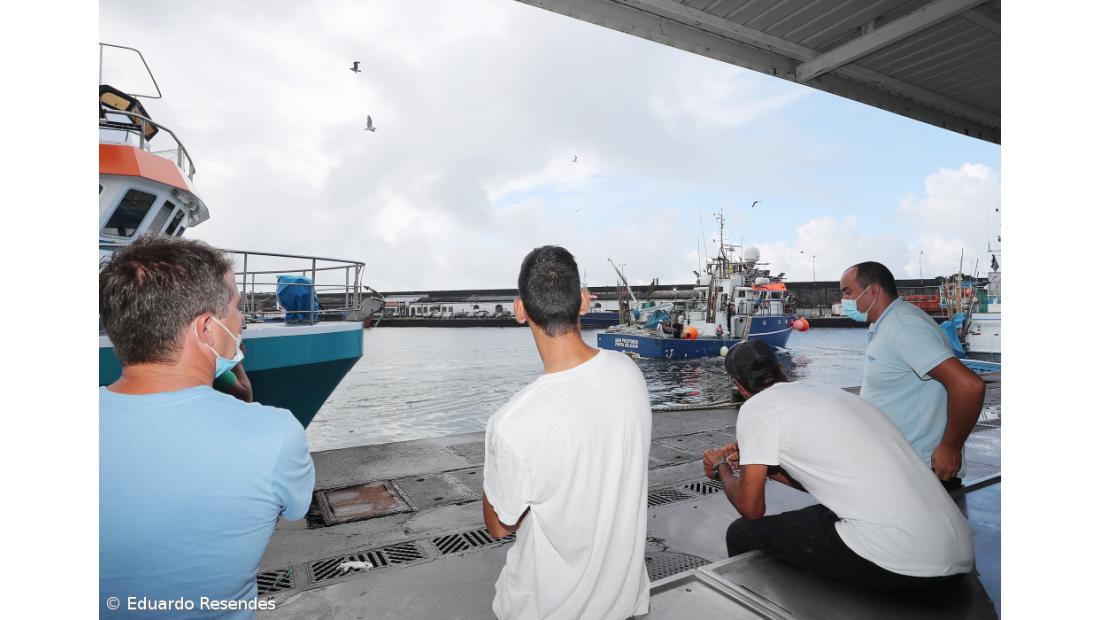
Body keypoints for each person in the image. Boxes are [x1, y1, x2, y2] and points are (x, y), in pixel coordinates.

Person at [99, 236, 315, 618]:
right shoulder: (276, 434)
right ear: (206, 329)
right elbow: (295, 510)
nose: (242, 320)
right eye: (235, 308)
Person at [705, 340, 974, 592]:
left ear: (740, 386)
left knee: (741, 532)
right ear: (780, 370)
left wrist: (720, 468)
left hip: (910, 564)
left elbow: (752, 509)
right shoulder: (828, 392)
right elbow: (826, 480)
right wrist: (767, 468)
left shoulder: (756, 408)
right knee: (826, 512)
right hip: (959, 553)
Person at [482, 245, 651, 619]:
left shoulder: (512, 423)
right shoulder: (629, 373)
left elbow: (499, 525)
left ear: (519, 310)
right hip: (624, 606)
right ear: (585, 301)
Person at [839, 262, 986, 486]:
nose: (844, 300)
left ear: (873, 290)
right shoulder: (887, 323)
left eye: (848, 292)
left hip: (921, 474)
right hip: (898, 467)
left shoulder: (903, 327)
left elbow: (968, 385)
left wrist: (951, 447)